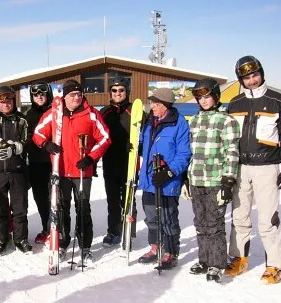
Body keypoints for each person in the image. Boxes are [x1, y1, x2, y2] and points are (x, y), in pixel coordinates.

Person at [33, 79, 111, 262]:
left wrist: (91, 157)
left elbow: (105, 138)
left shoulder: (91, 114)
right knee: (61, 209)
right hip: (60, 170)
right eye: (72, 95)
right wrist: (46, 144)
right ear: (65, 97)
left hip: (82, 171)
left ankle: (85, 246)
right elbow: (37, 133)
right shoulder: (54, 114)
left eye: (79, 94)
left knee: (83, 208)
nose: (76, 97)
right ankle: (62, 242)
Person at [226, 55, 281, 284]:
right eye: (246, 77)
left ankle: (275, 264)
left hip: (267, 167)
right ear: (240, 80)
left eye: (255, 75)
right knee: (239, 216)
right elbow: (228, 139)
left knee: (268, 219)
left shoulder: (278, 101)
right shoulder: (235, 104)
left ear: (261, 73)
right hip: (241, 167)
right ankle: (239, 258)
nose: (252, 80)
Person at [182, 78, 240, 282]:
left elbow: (232, 152)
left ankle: (217, 263)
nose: (203, 101)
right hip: (197, 179)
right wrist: (186, 180)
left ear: (216, 96)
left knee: (215, 224)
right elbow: (191, 152)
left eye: (206, 96)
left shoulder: (227, 121)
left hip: (216, 180)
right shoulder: (195, 120)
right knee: (200, 222)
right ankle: (204, 259)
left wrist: (228, 181)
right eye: (199, 98)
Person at [137, 87, 191, 269]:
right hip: (149, 179)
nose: (152, 106)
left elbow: (184, 154)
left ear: (165, 105)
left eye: (156, 103)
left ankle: (170, 251)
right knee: (151, 217)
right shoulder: (149, 122)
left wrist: (169, 172)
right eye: (152, 102)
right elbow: (145, 146)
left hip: (167, 181)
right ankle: (155, 247)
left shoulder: (179, 124)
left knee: (168, 218)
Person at [0, 86, 32, 254]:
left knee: (19, 208)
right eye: (2, 102)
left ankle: (20, 238)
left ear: (14, 101)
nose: (6, 105)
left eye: (9, 101)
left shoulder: (22, 120)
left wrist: (19, 147)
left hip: (18, 170)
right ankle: (0, 239)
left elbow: (29, 140)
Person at [99, 77, 142, 247]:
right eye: (114, 90)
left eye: (121, 90)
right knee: (113, 200)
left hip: (128, 163)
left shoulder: (135, 111)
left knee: (129, 199)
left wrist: (138, 145)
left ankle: (129, 232)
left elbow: (144, 134)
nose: (118, 93)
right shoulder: (104, 112)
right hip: (110, 162)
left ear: (127, 92)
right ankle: (114, 231)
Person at [25, 81, 53, 244]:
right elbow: (27, 137)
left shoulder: (56, 112)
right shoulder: (29, 114)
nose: (40, 96)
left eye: (42, 93)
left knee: (53, 197)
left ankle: (56, 228)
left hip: (52, 162)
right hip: (36, 162)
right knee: (40, 197)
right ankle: (46, 227)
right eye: (36, 94)